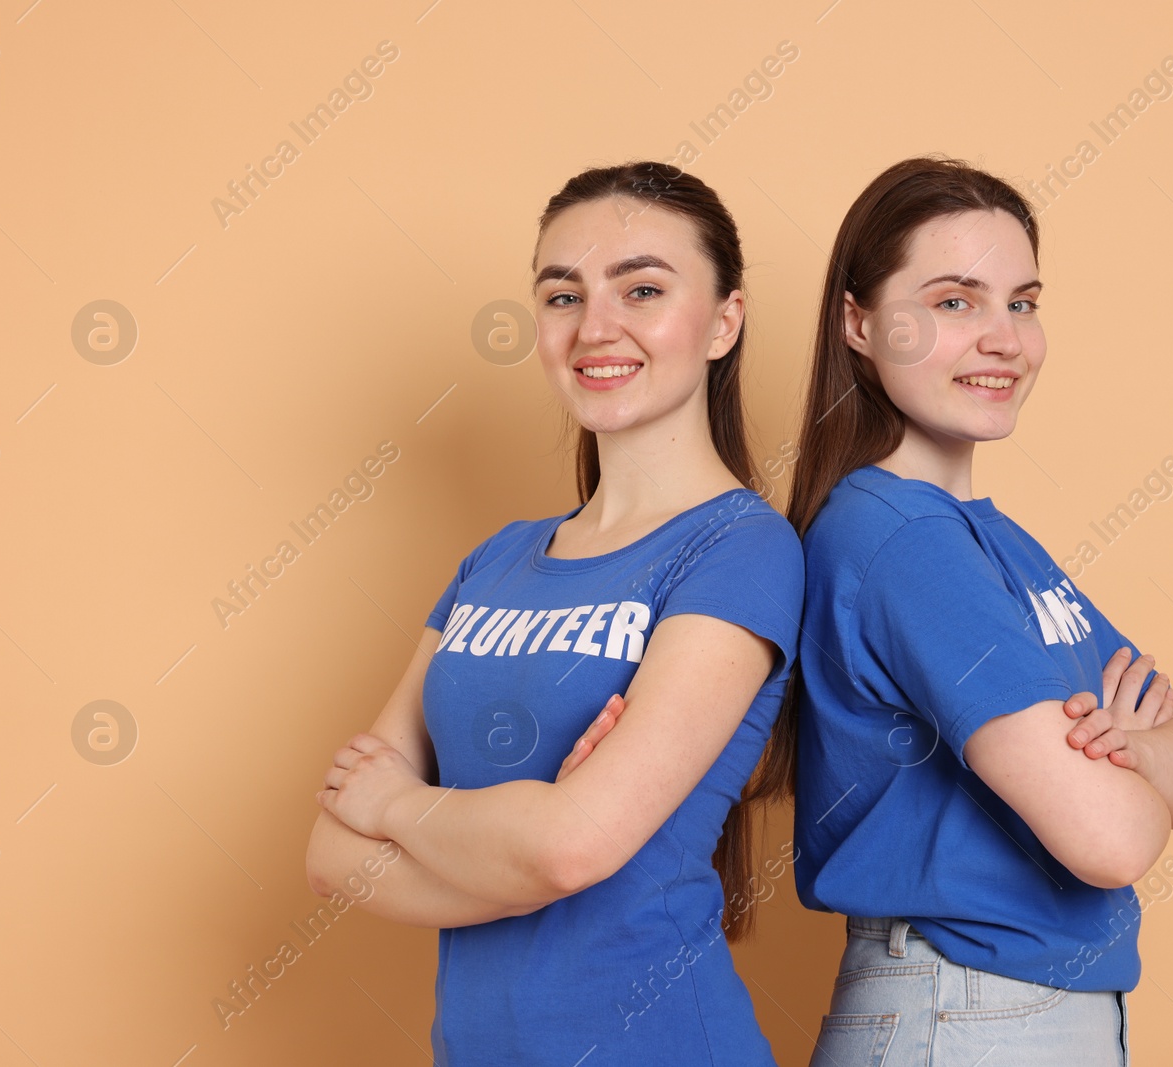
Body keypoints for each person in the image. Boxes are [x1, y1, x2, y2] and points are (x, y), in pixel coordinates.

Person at [303, 161, 804, 1066]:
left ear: (724, 321)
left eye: (641, 288)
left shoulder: (741, 550)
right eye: (562, 295)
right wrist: (522, 850)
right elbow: (333, 855)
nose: (594, 327)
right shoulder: (495, 560)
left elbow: (571, 849)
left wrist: (403, 806)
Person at [784, 156, 1173, 1066]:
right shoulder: (904, 543)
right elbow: (1111, 839)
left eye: (1022, 303)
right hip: (966, 1013)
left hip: (1004, 1015)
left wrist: (1135, 751)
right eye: (956, 302)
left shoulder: (992, 543)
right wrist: (1139, 773)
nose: (1004, 338)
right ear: (859, 323)